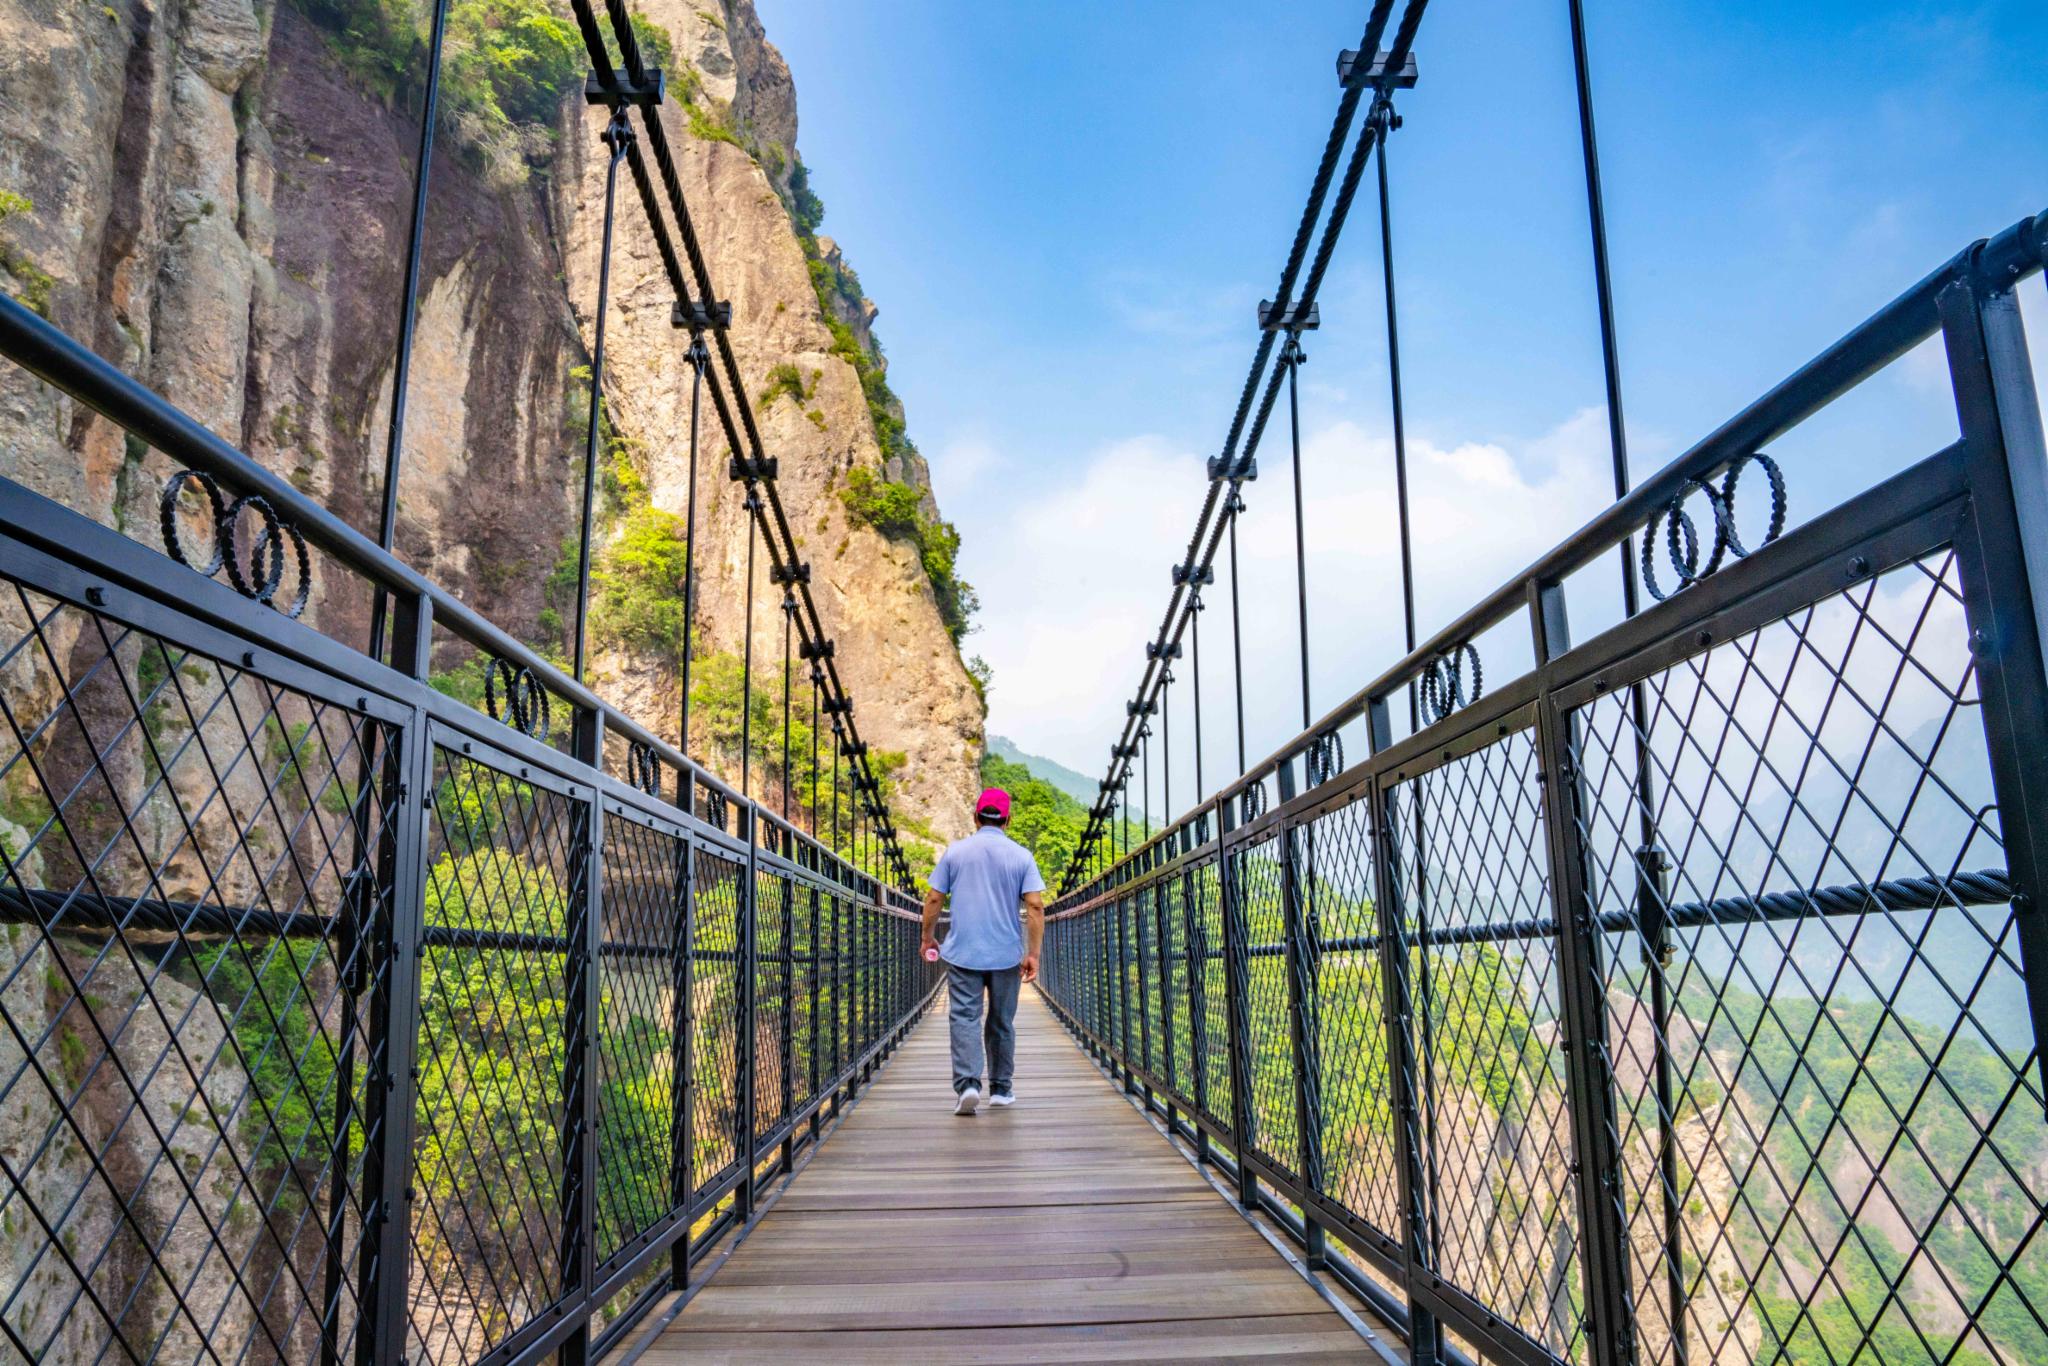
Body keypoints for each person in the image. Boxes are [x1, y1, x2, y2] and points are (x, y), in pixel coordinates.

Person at [921, 786, 1046, 1115]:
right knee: (1002, 1020)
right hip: (1006, 954)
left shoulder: (955, 852)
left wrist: (927, 938)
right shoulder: (1022, 856)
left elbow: (934, 898)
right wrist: (1032, 953)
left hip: (963, 952)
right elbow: (1035, 906)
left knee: (965, 1016)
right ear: (1008, 820)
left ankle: (968, 1086)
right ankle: (1002, 1089)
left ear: (976, 817)